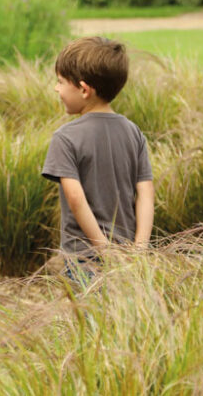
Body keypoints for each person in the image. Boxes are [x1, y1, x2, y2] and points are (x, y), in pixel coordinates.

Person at [41, 36, 154, 283]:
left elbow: (75, 198)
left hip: (84, 257)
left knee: (89, 308)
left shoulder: (65, 138)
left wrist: (104, 249)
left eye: (60, 82)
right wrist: (140, 249)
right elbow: (146, 193)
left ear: (84, 90)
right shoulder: (133, 132)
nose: (56, 89)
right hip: (129, 256)